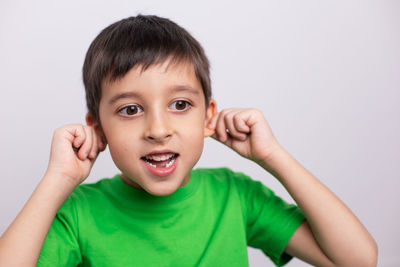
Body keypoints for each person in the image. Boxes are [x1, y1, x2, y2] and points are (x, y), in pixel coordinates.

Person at [0, 15, 377, 267]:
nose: (158, 129)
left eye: (180, 104)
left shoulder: (236, 195)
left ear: (208, 117)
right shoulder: (77, 213)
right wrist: (58, 180)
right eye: (130, 110)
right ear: (97, 128)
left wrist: (272, 156)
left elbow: (359, 259)